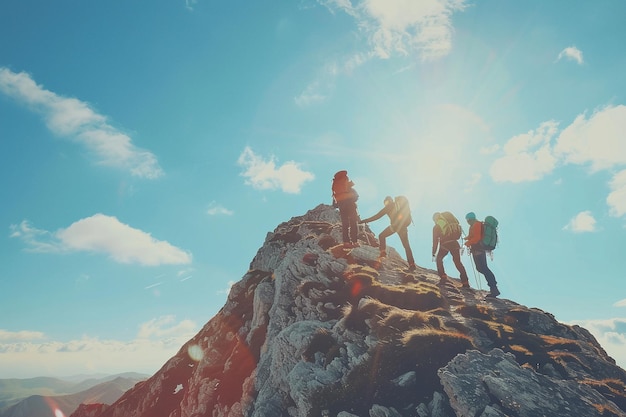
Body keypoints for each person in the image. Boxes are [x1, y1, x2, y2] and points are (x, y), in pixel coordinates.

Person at [360, 196, 416, 271]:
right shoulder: (397, 205)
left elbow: (377, 216)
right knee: (406, 246)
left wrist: (365, 220)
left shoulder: (389, 206)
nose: (385, 204)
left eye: (385, 202)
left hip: (395, 226)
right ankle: (412, 264)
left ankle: (383, 253)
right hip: (402, 227)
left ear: (388, 201)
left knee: (382, 236)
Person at [464, 212, 500, 297]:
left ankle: (494, 288)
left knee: (482, 268)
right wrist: (468, 238)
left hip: (477, 249)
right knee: (482, 268)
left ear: (469, 219)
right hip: (480, 248)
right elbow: (474, 235)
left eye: (467, 220)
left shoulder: (476, 224)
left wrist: (469, 242)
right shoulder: (476, 225)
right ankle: (494, 288)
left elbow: (477, 238)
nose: (467, 222)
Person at [432, 212, 470, 287]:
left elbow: (435, 241)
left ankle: (443, 278)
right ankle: (465, 282)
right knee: (458, 262)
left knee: (439, 259)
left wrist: (434, 253)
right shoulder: (450, 223)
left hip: (445, 244)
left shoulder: (437, 226)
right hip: (455, 244)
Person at [331, 170, 360, 248]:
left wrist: (340, 204)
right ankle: (355, 242)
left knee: (345, 224)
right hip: (350, 204)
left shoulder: (337, 189)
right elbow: (356, 197)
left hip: (341, 206)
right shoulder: (349, 188)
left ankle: (346, 242)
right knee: (353, 223)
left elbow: (334, 204)